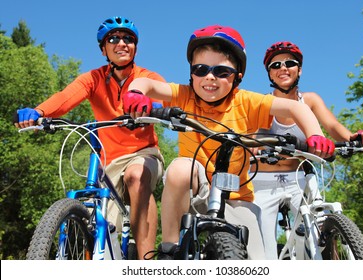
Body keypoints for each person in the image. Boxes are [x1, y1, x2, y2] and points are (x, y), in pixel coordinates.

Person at [122, 25, 335, 260]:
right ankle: (169, 249)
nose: (209, 77)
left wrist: (316, 134)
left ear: (238, 77)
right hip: (195, 190)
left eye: (221, 72)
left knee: (259, 262)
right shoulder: (185, 95)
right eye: (200, 70)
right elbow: (147, 84)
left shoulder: (247, 101)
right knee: (180, 168)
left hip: (237, 197)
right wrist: (136, 92)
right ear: (191, 73)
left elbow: (295, 107)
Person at [14, 16, 166, 260]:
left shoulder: (146, 77)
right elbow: (66, 97)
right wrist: (39, 112)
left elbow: (161, 96)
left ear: (135, 46)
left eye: (128, 39)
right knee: (103, 225)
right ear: (103, 48)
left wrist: (152, 106)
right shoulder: (94, 79)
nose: (122, 43)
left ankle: (146, 263)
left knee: (136, 177)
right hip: (108, 160)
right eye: (113, 39)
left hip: (143, 153)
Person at [249, 41, 363, 259]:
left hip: (299, 177)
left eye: (290, 63)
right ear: (269, 74)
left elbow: (333, 127)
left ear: (299, 69)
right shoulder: (262, 103)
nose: (283, 68)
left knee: (318, 231)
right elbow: (252, 137)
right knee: (264, 252)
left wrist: (354, 138)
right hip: (263, 181)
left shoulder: (310, 100)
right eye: (275, 65)